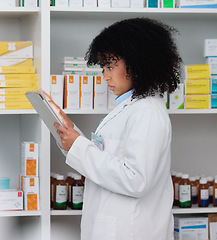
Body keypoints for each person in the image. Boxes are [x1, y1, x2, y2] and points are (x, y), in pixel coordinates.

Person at [44, 17, 182, 240]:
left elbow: (136, 179)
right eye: (103, 67)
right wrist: (72, 136)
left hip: (132, 231)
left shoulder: (147, 112)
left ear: (138, 63)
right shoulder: (129, 107)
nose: (105, 75)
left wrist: (79, 146)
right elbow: (107, 158)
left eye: (110, 66)